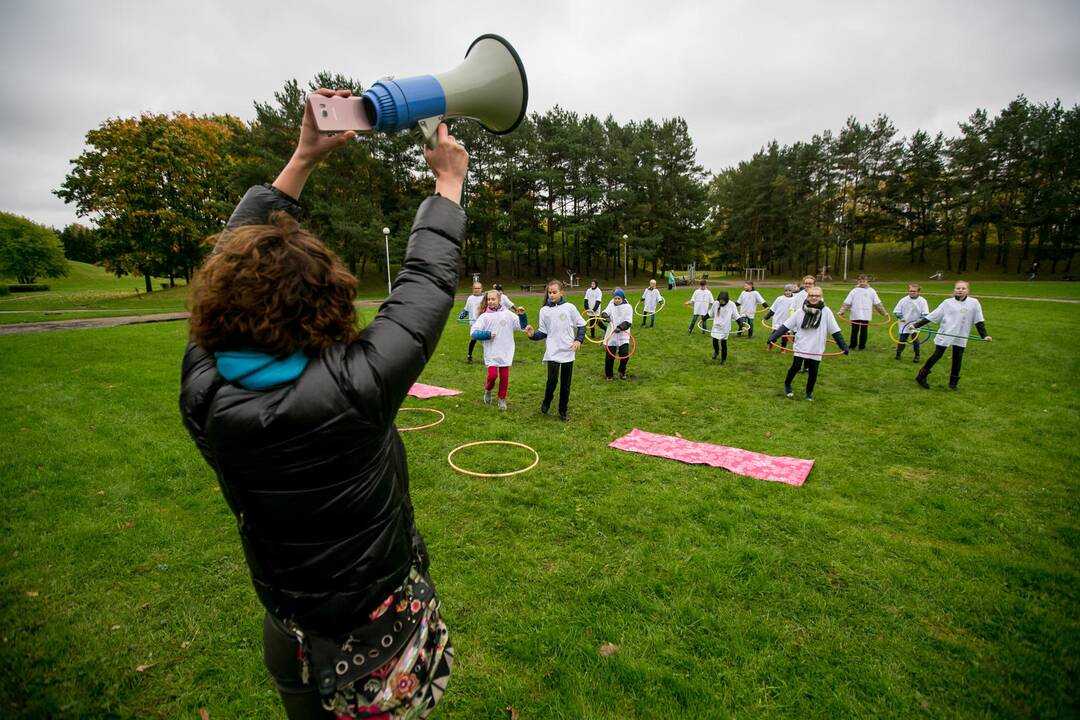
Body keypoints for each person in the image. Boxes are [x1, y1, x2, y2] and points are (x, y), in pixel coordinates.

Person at [179, 89, 467, 720]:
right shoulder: (353, 389)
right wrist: (449, 182)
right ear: (328, 303)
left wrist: (302, 158)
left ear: (217, 306)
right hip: (379, 637)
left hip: (290, 629)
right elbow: (425, 285)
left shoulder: (204, 387)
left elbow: (231, 256)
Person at [766, 286, 849, 401]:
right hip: (801, 344)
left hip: (817, 346)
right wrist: (773, 337)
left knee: (813, 371)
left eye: (817, 296)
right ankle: (787, 385)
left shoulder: (826, 312)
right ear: (807, 296)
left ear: (821, 297)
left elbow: (835, 331)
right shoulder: (800, 311)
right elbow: (786, 326)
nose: (814, 297)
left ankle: (809, 393)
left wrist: (843, 346)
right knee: (796, 367)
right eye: (811, 295)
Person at [911, 281, 992, 390]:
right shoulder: (947, 303)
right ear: (954, 290)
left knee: (958, 357)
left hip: (961, 334)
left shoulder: (974, 303)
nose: (960, 290)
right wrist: (916, 325)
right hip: (946, 333)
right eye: (958, 288)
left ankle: (953, 383)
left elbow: (979, 320)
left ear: (967, 290)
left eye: (963, 288)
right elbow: (933, 316)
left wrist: (984, 335)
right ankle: (921, 376)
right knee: (937, 354)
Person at [526, 279, 586, 421]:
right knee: (552, 381)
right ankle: (546, 402)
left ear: (561, 292)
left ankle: (563, 410)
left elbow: (582, 325)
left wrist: (578, 340)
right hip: (553, 351)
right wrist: (532, 335)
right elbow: (543, 332)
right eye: (549, 292)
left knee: (566, 384)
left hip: (568, 351)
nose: (551, 295)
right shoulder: (544, 310)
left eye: (554, 292)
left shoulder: (569, 307)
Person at [470, 289, 529, 410]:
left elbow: (522, 327)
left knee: (504, 378)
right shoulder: (484, 317)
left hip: (506, 351)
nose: (491, 301)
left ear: (499, 300)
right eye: (489, 299)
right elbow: (473, 333)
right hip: (491, 352)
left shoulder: (508, 314)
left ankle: (502, 399)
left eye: (493, 299)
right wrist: (487, 335)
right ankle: (488, 390)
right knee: (492, 376)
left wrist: (522, 316)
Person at [838, 275, 888, 350]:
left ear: (867, 281)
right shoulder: (854, 291)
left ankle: (862, 346)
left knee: (864, 331)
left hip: (866, 315)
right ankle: (852, 345)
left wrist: (884, 313)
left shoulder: (872, 291)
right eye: (860, 281)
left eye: (864, 281)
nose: (862, 283)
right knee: (854, 331)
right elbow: (847, 303)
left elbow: (877, 304)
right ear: (858, 281)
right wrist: (841, 311)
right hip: (855, 314)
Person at [600, 287, 634, 379]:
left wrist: (620, 327)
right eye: (615, 298)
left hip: (623, 335)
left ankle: (622, 371)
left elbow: (628, 321)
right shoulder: (611, 305)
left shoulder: (628, 307)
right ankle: (609, 375)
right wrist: (605, 316)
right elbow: (604, 312)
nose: (617, 300)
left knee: (624, 355)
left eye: (619, 298)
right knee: (609, 357)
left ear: (622, 298)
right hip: (612, 335)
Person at [893, 283, 929, 362]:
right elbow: (896, 311)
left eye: (914, 291)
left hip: (916, 324)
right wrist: (901, 318)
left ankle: (917, 355)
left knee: (915, 340)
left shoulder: (922, 301)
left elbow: (925, 313)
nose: (912, 292)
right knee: (902, 339)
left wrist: (920, 321)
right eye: (910, 291)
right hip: (904, 323)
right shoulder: (903, 300)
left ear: (918, 292)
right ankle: (898, 354)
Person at [763, 284, 798, 351]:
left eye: (789, 290)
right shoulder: (779, 298)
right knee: (773, 336)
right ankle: (770, 347)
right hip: (778, 321)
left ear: (792, 291)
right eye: (786, 290)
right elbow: (773, 309)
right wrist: (766, 317)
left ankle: (783, 349)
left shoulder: (795, 299)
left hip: (788, 322)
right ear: (784, 291)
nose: (787, 292)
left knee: (785, 337)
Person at [709, 290, 741, 363]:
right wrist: (704, 319)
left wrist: (742, 326)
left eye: (722, 301)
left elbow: (736, 316)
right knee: (714, 341)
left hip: (725, 328)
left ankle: (723, 359)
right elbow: (710, 313)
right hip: (716, 326)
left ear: (726, 300)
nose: (721, 302)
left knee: (723, 344)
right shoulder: (716, 303)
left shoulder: (731, 304)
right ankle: (716, 352)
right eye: (720, 300)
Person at [460, 281, 486, 363]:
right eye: (475, 288)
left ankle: (489, 357)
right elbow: (466, 309)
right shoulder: (470, 298)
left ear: (482, 289)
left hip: (484, 322)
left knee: (485, 340)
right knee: (473, 338)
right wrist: (461, 316)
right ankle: (469, 356)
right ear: (472, 289)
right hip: (473, 323)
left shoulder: (484, 298)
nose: (477, 290)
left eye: (478, 288)